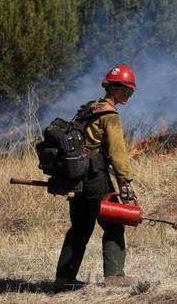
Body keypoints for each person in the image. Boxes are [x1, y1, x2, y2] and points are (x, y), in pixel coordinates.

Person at [54, 64, 139, 291]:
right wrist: (125, 182)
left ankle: (64, 278)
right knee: (113, 225)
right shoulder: (110, 115)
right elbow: (117, 153)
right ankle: (114, 276)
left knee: (80, 227)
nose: (128, 96)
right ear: (115, 88)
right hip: (95, 179)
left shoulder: (90, 108)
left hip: (77, 178)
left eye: (131, 92)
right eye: (126, 91)